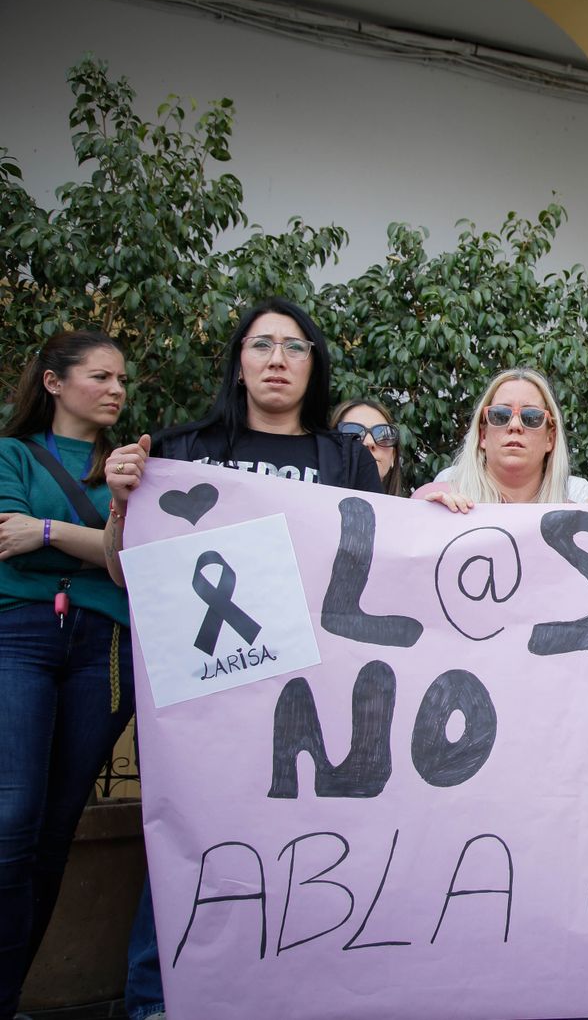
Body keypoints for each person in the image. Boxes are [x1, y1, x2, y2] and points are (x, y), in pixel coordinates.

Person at [102, 297, 385, 1020]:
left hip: (313, 691)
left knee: (307, 849)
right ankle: (154, 999)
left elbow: (377, 560)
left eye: (295, 347)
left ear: (314, 365)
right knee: (190, 843)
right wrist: (118, 508)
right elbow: (124, 570)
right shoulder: (180, 451)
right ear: (238, 362)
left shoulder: (345, 457)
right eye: (262, 346)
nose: (278, 360)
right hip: (211, 700)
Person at [0, 332, 136, 1020]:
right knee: (12, 818)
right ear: (53, 382)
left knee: (56, 829)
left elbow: (128, 558)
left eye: (121, 379)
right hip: (19, 635)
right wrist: (94, 543)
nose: (116, 389)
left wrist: (47, 534)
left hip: (104, 646)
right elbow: (3, 537)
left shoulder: (134, 466)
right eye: (101, 376)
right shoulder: (11, 454)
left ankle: (11, 990)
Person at [412, 368, 588, 511]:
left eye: (531, 417)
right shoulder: (433, 501)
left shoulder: (574, 519)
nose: (515, 425)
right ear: (483, 435)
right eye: (500, 415)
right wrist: (432, 520)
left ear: (550, 439)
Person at [332, 397, 405, 495]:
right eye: (354, 435)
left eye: (382, 435)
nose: (370, 442)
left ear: (393, 456)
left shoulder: (409, 509)